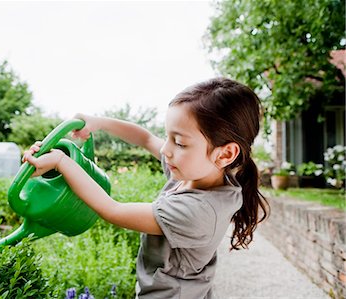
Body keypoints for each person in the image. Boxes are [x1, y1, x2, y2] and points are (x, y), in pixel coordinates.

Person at [23, 77, 269, 298]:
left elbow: (113, 210)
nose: (165, 149)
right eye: (169, 137)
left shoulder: (199, 211)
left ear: (225, 154)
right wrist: (98, 122)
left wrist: (60, 161)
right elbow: (146, 138)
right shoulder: (193, 171)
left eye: (180, 142)